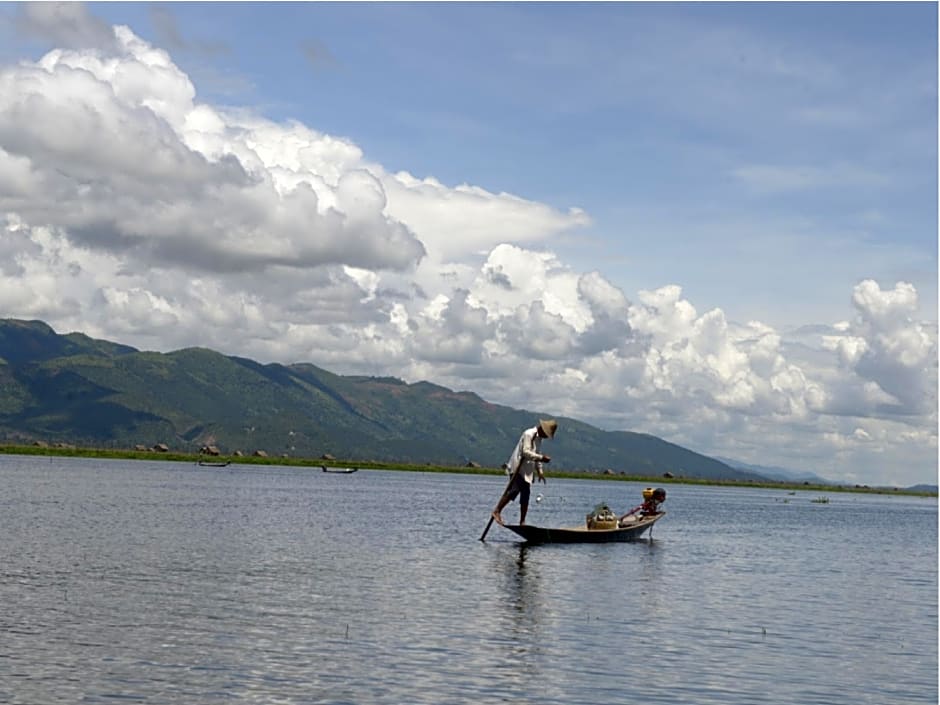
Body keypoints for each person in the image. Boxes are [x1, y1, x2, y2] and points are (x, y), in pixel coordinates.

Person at [492, 419, 557, 526]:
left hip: (527, 471)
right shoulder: (528, 434)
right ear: (542, 430)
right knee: (514, 490)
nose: (546, 437)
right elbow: (526, 452)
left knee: (525, 495)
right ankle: (497, 511)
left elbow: (537, 454)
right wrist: (541, 458)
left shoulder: (539, 439)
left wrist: (540, 471)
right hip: (517, 467)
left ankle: (522, 521)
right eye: (546, 435)